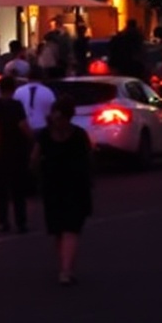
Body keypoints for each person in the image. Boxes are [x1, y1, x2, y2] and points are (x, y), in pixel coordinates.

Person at [37, 105, 94, 285]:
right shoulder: (78, 135)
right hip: (75, 185)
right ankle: (66, 270)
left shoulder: (45, 135)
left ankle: (64, 266)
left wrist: (38, 174)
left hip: (52, 184)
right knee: (71, 229)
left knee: (58, 229)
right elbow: (89, 157)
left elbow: (33, 158)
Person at [0, 77, 32, 235]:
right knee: (18, 189)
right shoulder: (16, 105)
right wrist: (31, 139)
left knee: (0, 189)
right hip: (16, 149)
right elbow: (22, 125)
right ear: (13, 89)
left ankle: (2, 221)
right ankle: (21, 221)